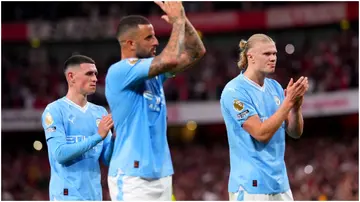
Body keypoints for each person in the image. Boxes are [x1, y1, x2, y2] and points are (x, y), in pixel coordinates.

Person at [105, 1, 206, 201]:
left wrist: (183, 19)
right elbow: (169, 59)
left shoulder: (154, 75)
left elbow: (197, 51)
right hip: (132, 176)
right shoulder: (120, 71)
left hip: (161, 174)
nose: (156, 42)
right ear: (130, 44)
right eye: (149, 37)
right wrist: (177, 22)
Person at [220, 34, 309, 201]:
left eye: (274, 54)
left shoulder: (274, 87)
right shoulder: (234, 92)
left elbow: (295, 132)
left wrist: (296, 108)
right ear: (250, 56)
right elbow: (261, 133)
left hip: (280, 184)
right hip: (251, 186)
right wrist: (287, 103)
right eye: (267, 54)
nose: (273, 58)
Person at [41, 55, 114, 201]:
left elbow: (107, 159)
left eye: (95, 74)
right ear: (71, 76)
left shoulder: (100, 112)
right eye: (89, 73)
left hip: (94, 195)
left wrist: (116, 139)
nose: (94, 78)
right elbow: (60, 154)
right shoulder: (54, 110)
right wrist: (98, 136)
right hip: (66, 196)